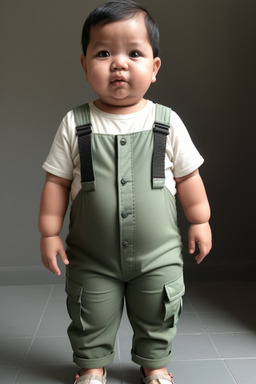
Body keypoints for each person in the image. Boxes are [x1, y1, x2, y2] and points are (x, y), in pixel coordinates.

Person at [38, 1, 212, 383]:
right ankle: (91, 366)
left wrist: (200, 219)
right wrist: (50, 232)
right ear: (85, 65)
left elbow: (188, 177)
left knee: (158, 311)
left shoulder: (166, 121)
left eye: (134, 53)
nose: (119, 63)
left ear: (154, 68)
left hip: (158, 256)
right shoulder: (75, 122)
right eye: (103, 53)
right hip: (91, 256)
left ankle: (155, 366)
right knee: (90, 315)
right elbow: (57, 181)